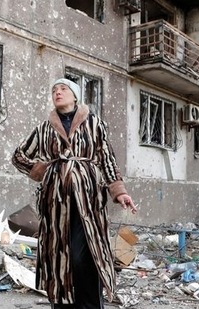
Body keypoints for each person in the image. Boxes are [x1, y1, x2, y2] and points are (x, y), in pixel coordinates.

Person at [11, 78, 137, 308]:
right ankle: (61, 304)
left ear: (75, 95)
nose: (57, 92)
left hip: (88, 202)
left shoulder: (95, 123)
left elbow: (107, 159)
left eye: (63, 88)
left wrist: (119, 191)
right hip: (55, 204)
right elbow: (19, 156)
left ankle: (89, 304)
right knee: (59, 255)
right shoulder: (44, 128)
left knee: (85, 256)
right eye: (54, 90)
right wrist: (43, 171)